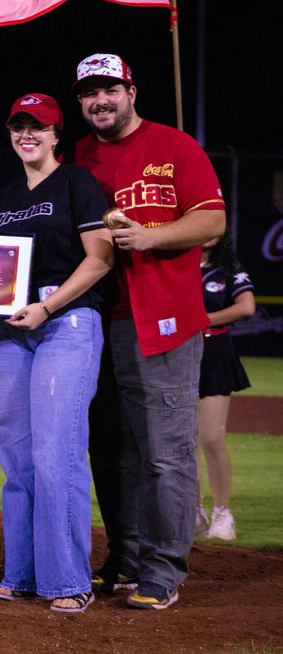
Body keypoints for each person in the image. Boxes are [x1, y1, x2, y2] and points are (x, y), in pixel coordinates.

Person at [72, 53, 226, 610]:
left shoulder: (174, 146)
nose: (101, 100)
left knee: (165, 451)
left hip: (162, 320)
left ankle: (163, 570)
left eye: (110, 89)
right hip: (96, 322)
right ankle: (127, 556)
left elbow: (213, 219)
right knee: (111, 450)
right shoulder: (78, 156)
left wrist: (151, 237)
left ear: (131, 91)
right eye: (90, 93)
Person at [0, 93, 112, 613]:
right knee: (16, 456)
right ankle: (22, 572)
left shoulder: (78, 182)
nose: (27, 134)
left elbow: (100, 259)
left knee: (56, 453)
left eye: (38, 126)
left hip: (65, 322)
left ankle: (68, 579)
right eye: (18, 126)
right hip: (10, 329)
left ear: (57, 135)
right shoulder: (5, 197)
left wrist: (49, 307)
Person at [195, 232, 255, 540]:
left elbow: (246, 307)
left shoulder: (228, 268)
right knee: (185, 440)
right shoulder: (177, 265)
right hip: (179, 352)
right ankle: (194, 511)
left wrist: (203, 318)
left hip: (215, 351)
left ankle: (223, 513)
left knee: (211, 437)